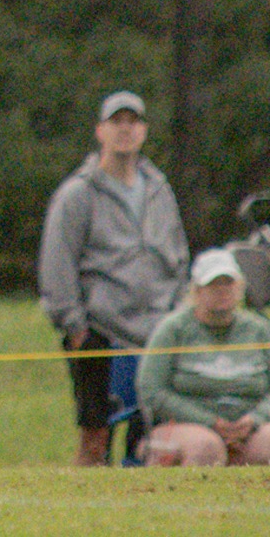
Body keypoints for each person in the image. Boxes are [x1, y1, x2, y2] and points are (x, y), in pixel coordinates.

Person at [39, 90, 189, 465]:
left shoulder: (159, 189)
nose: (125, 130)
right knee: (95, 438)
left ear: (144, 131)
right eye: (116, 122)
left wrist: (179, 313)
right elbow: (56, 265)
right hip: (102, 335)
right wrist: (75, 328)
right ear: (99, 131)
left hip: (158, 334)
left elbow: (178, 254)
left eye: (133, 121)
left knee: (154, 439)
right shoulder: (77, 193)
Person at [136, 248, 270, 466]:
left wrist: (255, 420)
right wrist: (209, 421)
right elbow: (152, 390)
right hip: (185, 426)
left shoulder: (260, 330)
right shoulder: (173, 329)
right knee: (206, 447)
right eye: (213, 285)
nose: (222, 291)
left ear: (240, 288)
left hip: (251, 426)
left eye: (229, 283)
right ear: (197, 291)